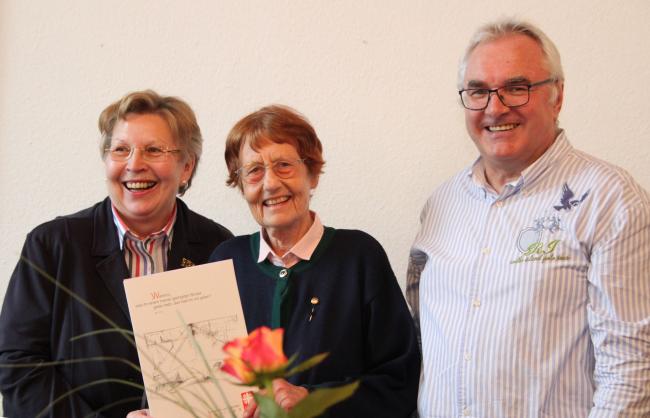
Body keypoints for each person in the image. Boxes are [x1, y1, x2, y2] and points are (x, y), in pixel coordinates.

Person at [407, 18, 650, 417]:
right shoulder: (441, 204)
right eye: (478, 91)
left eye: (516, 88)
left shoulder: (609, 198)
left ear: (557, 96)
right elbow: (422, 340)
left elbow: (631, 371)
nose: (495, 107)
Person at [128, 104, 420, 418]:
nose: (270, 183)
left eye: (283, 165)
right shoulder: (225, 261)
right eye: (253, 171)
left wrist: (309, 400)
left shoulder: (359, 257)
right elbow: (206, 389)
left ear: (313, 174)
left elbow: (400, 382)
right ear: (240, 186)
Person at [0, 90, 233, 418]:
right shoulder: (52, 245)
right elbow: (17, 366)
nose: (135, 164)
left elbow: (233, 365)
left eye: (154, 150)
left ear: (186, 167)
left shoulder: (218, 247)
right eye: (121, 150)